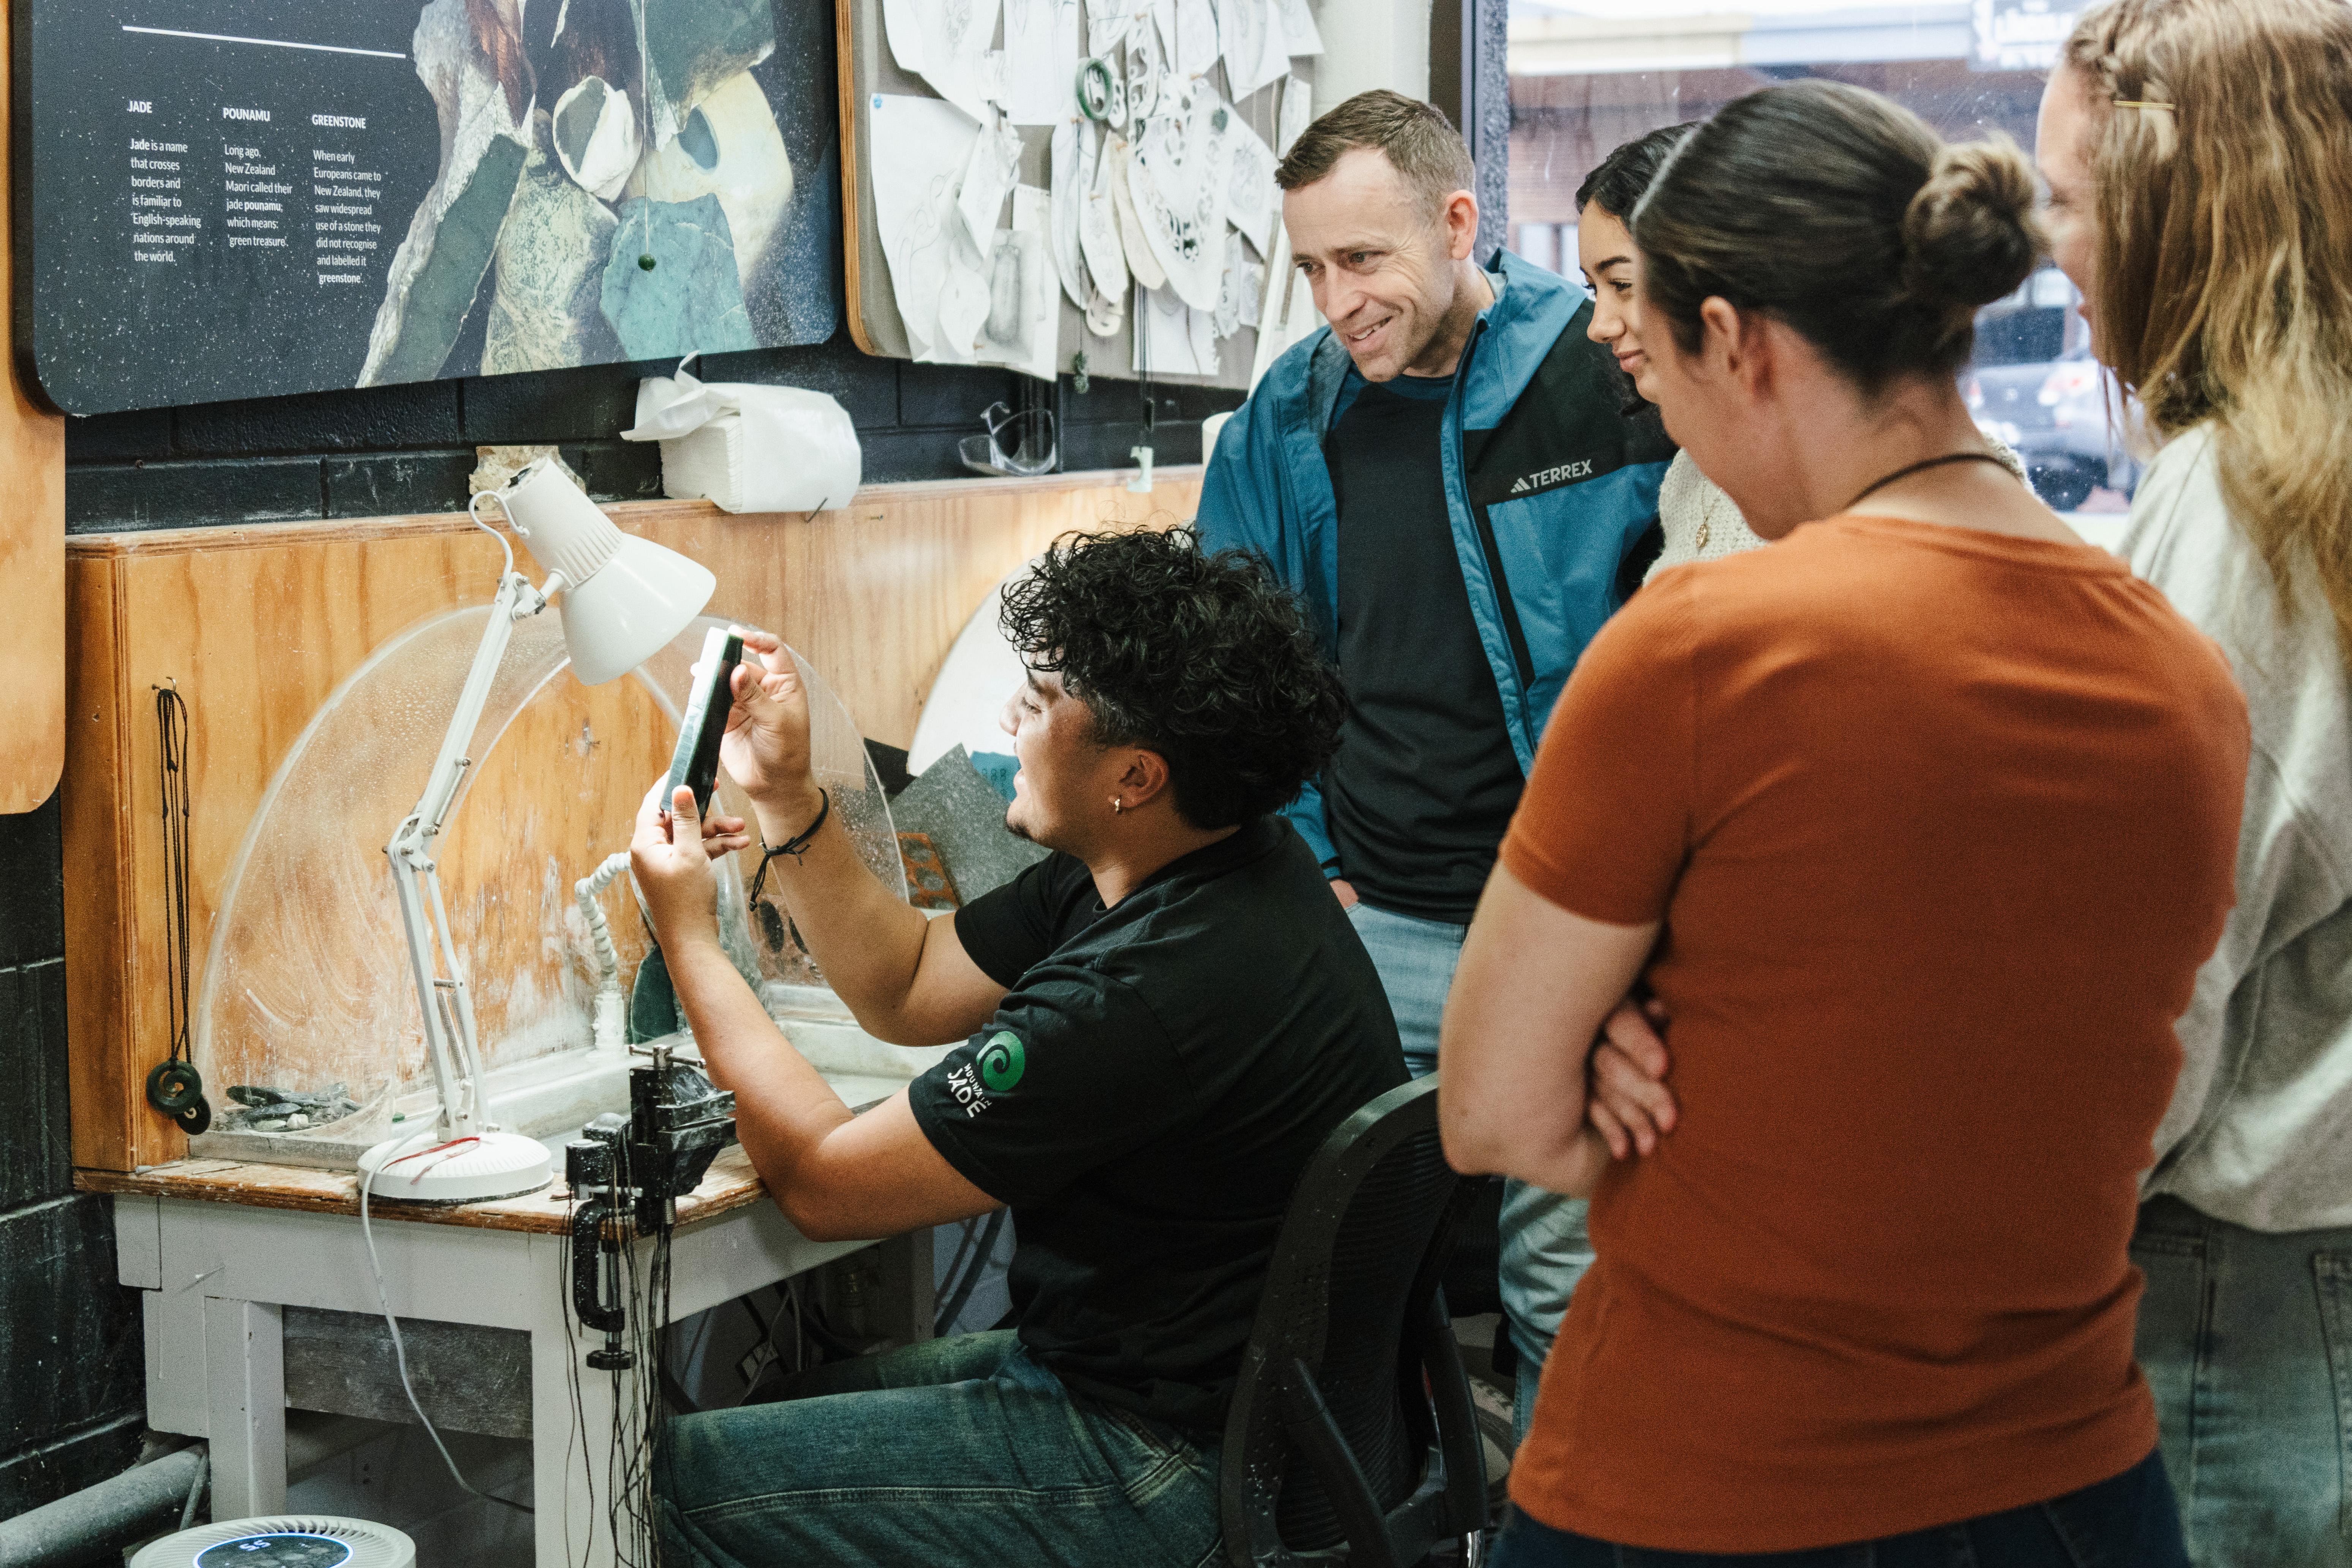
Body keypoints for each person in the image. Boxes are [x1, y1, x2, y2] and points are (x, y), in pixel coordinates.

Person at [1441, 79, 2249, 1566]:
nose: (1670, 420)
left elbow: (1491, 1104)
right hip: (2075, 1495)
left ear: (1734, 340)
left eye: (1665, 376)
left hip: (1708, 1483)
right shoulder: (2181, 670)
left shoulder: (1703, 644)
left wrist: (1662, 1053)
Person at [631, 528, 1406, 1567]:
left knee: (664, 1485)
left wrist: (688, 939)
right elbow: (906, 984)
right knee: (788, 1406)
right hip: (1253, 1422)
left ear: (1133, 773)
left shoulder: (1140, 992)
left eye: (1039, 702)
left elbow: (820, 1185)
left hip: (1161, 1462)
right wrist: (781, 794)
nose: (1008, 718)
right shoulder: (1206, 860)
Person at [1195, 87, 1672, 1445]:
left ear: (1459, 222)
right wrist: (1308, 860)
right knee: (1313, 1262)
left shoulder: (1604, 370)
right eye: (1310, 269)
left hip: (1570, 922)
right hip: (1374, 920)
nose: (1337, 302)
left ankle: (1559, 1520)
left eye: (1364, 261)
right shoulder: (1286, 422)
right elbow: (1232, 673)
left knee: (1560, 1282)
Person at [2035, 4, 2352, 1560]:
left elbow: (2157, 976)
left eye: (2074, 203)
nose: (2058, 251)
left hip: (2249, 1288)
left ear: (2179, 208)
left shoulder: (2247, 506)